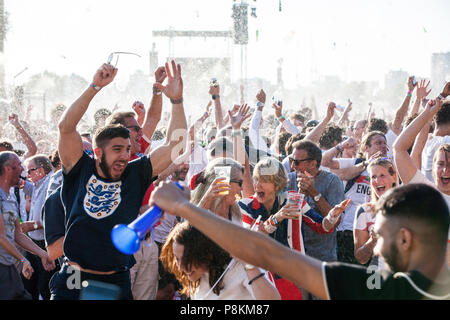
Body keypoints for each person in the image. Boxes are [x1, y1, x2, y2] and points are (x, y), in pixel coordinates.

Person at [151, 181, 450, 300]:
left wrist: (184, 208)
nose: (377, 244)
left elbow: (268, 254)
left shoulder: (388, 292)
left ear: (405, 239)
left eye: (380, 235)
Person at [46, 60, 187, 300]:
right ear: (98, 152)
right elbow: (66, 127)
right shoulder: (79, 168)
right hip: (75, 275)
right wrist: (94, 86)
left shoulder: (135, 173)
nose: (124, 156)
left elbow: (176, 145)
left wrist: (176, 101)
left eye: (127, 149)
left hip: (117, 277)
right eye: (117, 149)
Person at [238, 156, 344, 299]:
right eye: (256, 179)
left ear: (277, 184)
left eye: (264, 181)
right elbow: (252, 238)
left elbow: (321, 226)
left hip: (293, 275)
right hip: (262, 276)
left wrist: (332, 216)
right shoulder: (245, 205)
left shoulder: (293, 199)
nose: (257, 185)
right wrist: (277, 218)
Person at [393, 98, 450, 265]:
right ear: (431, 168)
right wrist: (427, 114)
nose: (445, 171)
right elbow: (399, 148)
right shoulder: (423, 191)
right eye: (440, 164)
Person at [160, 221, 281, 300]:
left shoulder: (239, 267)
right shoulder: (195, 274)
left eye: (187, 260)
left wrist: (248, 264)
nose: (181, 267)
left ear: (205, 253)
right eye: (177, 258)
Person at [321, 130, 388, 264]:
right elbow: (323, 161)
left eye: (385, 144)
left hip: (377, 234)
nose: (383, 147)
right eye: (378, 143)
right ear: (366, 148)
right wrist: (341, 146)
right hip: (349, 231)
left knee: (372, 282)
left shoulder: (390, 169)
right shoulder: (355, 162)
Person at [0, 151, 55, 300]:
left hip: (8, 265)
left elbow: (17, 234)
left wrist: (43, 254)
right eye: (19, 165)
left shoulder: (10, 196)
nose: (23, 171)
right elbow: (1, 236)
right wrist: (23, 260)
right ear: (8, 169)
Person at [287, 140, 345, 263]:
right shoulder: (288, 180)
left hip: (322, 258)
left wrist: (314, 193)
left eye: (296, 162)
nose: (292, 166)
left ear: (313, 164)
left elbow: (335, 221)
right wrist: (300, 194)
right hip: (293, 256)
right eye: (291, 161)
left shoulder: (332, 181)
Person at [20, 155, 55, 300]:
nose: (28, 175)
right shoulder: (40, 182)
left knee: (44, 287)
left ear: (40, 170)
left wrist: (32, 225)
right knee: (28, 283)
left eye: (30, 171)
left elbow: (53, 219)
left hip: (45, 244)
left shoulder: (51, 184)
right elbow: (31, 190)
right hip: (34, 244)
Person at [354, 158, 398, 267]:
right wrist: (372, 241)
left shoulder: (407, 206)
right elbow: (360, 258)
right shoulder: (364, 211)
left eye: (382, 175)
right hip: (376, 276)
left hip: (403, 276)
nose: (377, 181)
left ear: (394, 177)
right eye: (373, 177)